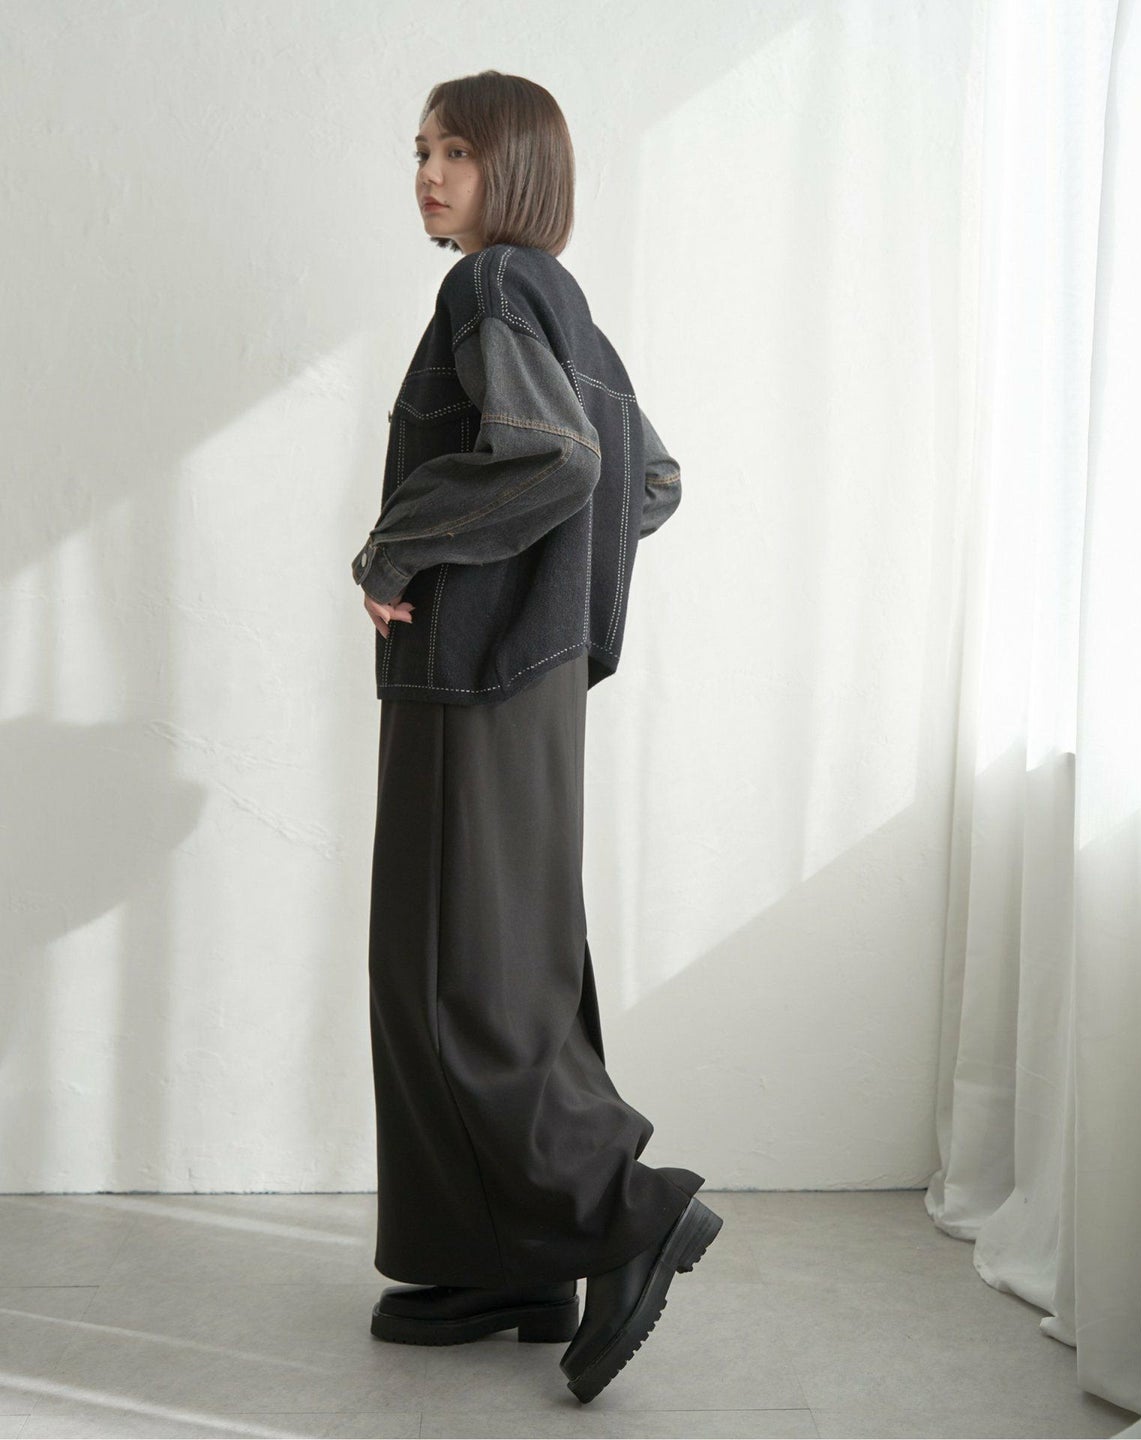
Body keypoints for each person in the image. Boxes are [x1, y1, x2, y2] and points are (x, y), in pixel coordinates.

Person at [349, 69, 722, 1405]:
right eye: (421, 151)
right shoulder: (563, 304)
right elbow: (647, 478)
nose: (428, 175)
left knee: (458, 973)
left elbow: (555, 458)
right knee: (497, 960)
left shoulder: (492, 285)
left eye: (456, 151)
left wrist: (402, 545)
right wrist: (561, 605)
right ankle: (501, 1258)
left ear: (515, 169)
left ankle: (623, 1209)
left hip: (474, 678)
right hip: (530, 684)